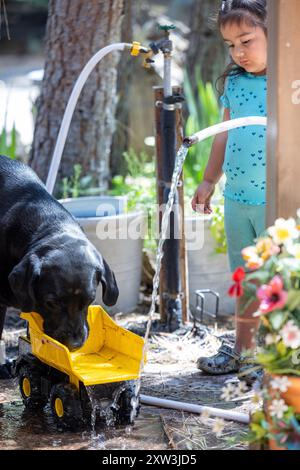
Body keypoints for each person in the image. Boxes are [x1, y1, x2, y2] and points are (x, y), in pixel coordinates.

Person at [192, 0, 267, 376]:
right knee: (244, 279)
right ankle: (244, 349)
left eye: (247, 40)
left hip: (276, 203)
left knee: (281, 279)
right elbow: (222, 137)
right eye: (231, 45)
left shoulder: (289, 82)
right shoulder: (235, 85)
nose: (238, 52)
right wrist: (208, 179)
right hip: (237, 200)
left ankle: (283, 358)